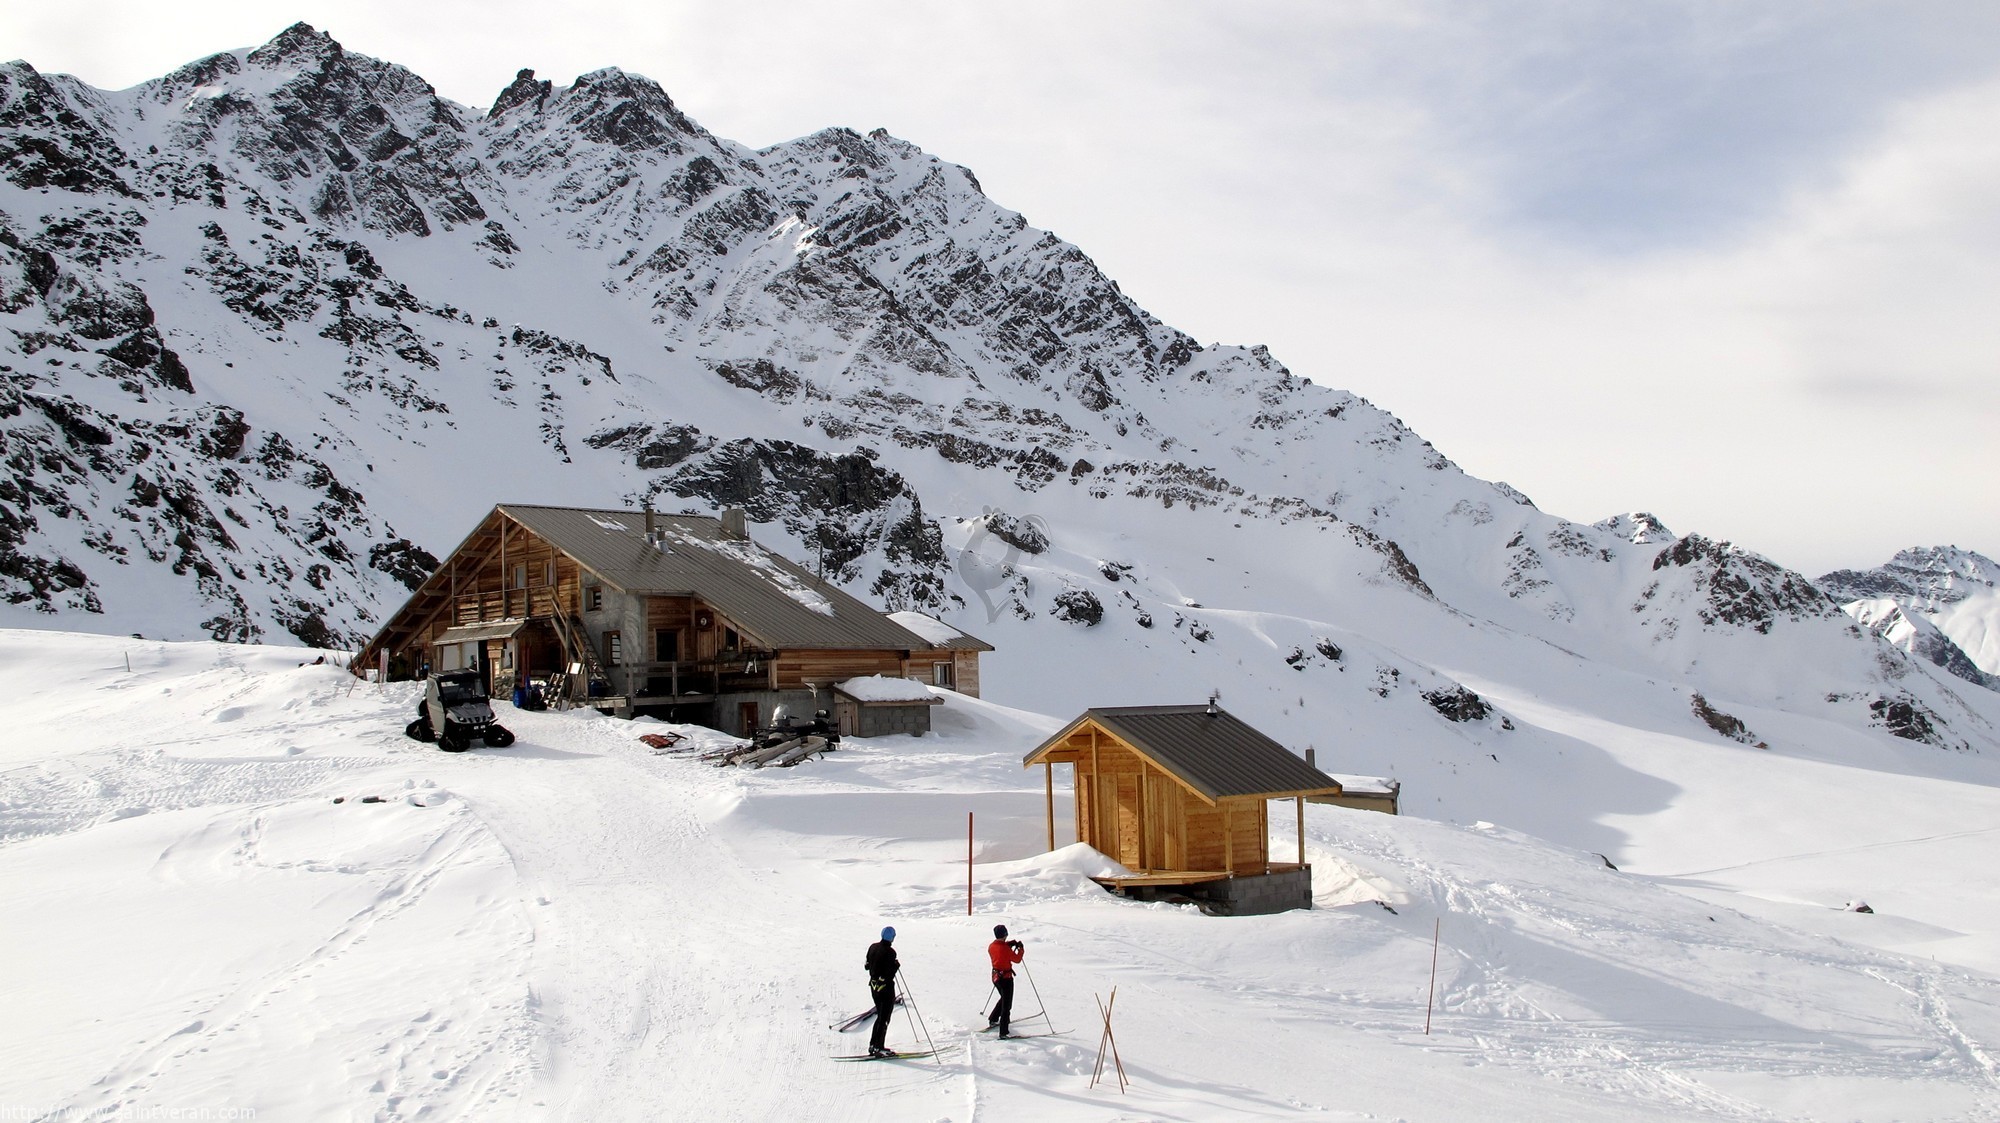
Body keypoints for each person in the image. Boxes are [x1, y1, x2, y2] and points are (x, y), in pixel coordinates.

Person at [865, 926, 900, 1058]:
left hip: (874, 988)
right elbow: (889, 974)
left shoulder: (872, 947)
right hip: (886, 989)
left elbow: (867, 965)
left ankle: (874, 1045)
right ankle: (878, 1047)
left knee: (880, 1016)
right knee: (884, 1018)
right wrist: (896, 966)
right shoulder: (890, 952)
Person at [986, 923, 1025, 1038]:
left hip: (995, 977)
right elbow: (1017, 959)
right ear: (1004, 934)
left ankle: (993, 1019)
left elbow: (1000, 947)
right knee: (1007, 1006)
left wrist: (1009, 944)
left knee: (1003, 998)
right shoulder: (1005, 948)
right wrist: (1021, 949)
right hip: (1006, 979)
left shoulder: (991, 946)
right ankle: (1003, 1032)